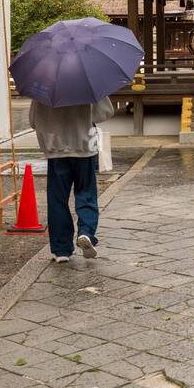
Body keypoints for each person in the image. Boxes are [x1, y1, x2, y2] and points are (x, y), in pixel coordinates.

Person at [29, 95, 116, 263]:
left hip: (56, 149)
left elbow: (33, 121)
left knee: (57, 200)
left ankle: (61, 250)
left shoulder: (44, 87)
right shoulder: (86, 83)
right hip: (84, 148)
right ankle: (85, 231)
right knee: (86, 192)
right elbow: (105, 112)